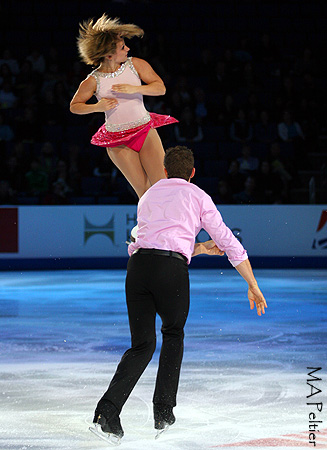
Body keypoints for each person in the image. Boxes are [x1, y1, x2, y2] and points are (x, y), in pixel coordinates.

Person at [90, 146, 268, 444]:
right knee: (173, 333)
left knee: (142, 345)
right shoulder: (198, 196)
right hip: (169, 272)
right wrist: (252, 283)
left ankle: (107, 413)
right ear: (192, 173)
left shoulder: (148, 195)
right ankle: (163, 411)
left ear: (165, 170)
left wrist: (196, 247)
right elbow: (227, 242)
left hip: (137, 268)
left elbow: (156, 240)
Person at [70, 14, 178, 199]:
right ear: (108, 54)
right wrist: (97, 107)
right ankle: (149, 227)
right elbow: (75, 106)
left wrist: (134, 88)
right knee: (143, 191)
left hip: (144, 130)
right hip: (117, 140)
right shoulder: (93, 80)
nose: (128, 48)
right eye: (122, 47)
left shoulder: (135, 65)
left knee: (162, 185)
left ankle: (170, 225)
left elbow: (160, 89)